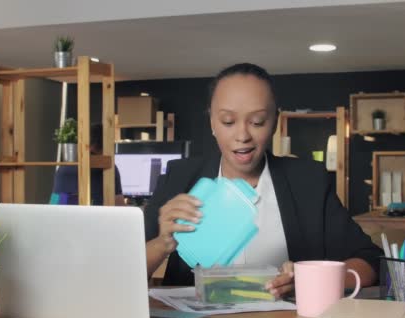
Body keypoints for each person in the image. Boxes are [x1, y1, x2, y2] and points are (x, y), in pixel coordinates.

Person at [144, 63, 383, 298]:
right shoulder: (179, 178)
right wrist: (162, 243)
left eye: (257, 122)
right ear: (212, 123)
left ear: (275, 122)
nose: (242, 136)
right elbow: (118, 273)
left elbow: (369, 260)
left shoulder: (308, 182)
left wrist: (308, 280)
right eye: (228, 121)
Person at [51, 123, 125, 206]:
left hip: (66, 218)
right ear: (107, 145)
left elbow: (54, 204)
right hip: (95, 218)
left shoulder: (63, 169)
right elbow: (120, 207)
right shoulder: (108, 167)